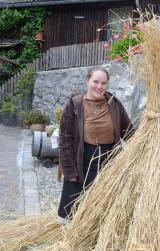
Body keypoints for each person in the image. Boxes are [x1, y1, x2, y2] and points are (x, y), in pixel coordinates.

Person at [57, 66, 133, 223]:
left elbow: (129, 131)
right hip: (83, 156)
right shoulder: (75, 104)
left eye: (104, 83)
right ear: (87, 81)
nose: (99, 87)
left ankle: (95, 231)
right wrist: (70, 170)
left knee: (103, 198)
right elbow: (65, 139)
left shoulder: (114, 103)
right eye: (95, 82)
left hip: (109, 157)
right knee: (75, 200)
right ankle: (70, 235)